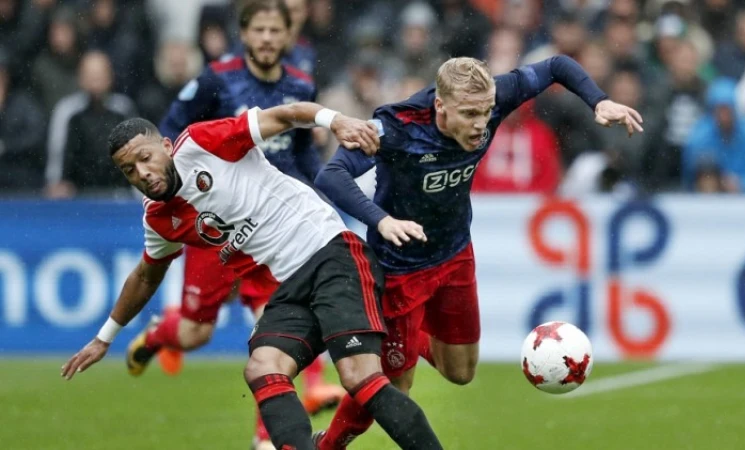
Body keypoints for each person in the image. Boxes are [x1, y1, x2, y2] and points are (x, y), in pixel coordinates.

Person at [61, 102, 444, 450]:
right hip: (290, 284)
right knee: (263, 366)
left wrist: (335, 121)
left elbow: (283, 115)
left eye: (145, 158)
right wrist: (103, 338)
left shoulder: (200, 143)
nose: (142, 173)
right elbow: (146, 276)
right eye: (129, 170)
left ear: (164, 145)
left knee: (359, 377)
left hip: (330, 252)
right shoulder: (159, 219)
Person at [313, 55, 643, 448]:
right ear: (440, 106)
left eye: (485, 112)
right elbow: (330, 175)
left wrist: (598, 101)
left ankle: (399, 338)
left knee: (461, 372)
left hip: (454, 255)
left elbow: (556, 65)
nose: (480, 124)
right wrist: (381, 219)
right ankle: (325, 445)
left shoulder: (495, 95)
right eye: (468, 114)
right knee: (393, 389)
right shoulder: (396, 128)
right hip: (399, 268)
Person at [148, 4, 343, 448]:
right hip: (216, 224)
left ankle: (268, 437)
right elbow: (168, 134)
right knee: (195, 332)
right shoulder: (217, 79)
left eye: (277, 29)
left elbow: (301, 154)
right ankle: (158, 334)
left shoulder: (300, 83)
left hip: (273, 225)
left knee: (279, 327)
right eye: (260, 29)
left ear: (288, 34)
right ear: (244, 34)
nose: (269, 38)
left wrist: (320, 189)